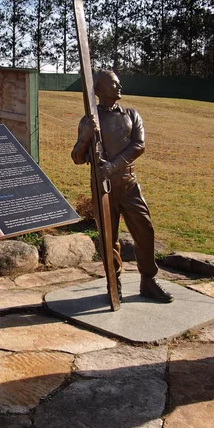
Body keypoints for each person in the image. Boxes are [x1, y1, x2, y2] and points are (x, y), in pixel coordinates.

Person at [71, 70, 174, 303]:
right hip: (102, 186)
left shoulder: (131, 114)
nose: (119, 86)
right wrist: (86, 136)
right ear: (98, 90)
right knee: (109, 237)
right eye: (113, 83)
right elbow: (77, 157)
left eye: (118, 82)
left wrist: (114, 165)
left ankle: (148, 281)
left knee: (144, 230)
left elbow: (139, 145)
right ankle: (113, 282)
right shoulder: (89, 120)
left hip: (129, 182)